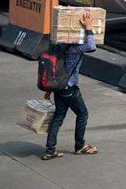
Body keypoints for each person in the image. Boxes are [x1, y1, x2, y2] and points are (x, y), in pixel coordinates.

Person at [41, 13, 99, 160]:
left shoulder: (58, 46)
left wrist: (49, 91)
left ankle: (50, 150)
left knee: (58, 117)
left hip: (58, 88)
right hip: (69, 88)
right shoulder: (75, 47)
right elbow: (92, 46)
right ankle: (80, 146)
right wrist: (88, 27)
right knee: (82, 114)